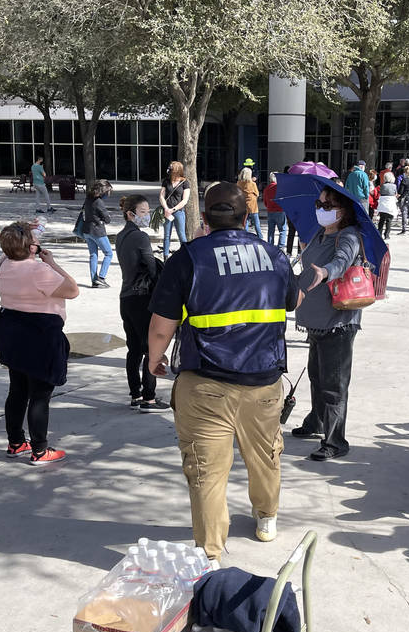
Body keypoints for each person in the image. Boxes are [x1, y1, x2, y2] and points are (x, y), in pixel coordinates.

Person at [147, 182, 298, 563]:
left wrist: (154, 359)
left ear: (205, 218)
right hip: (263, 382)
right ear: (248, 217)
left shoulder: (188, 258)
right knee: (265, 455)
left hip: (205, 385)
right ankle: (266, 517)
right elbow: (291, 301)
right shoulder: (275, 255)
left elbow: (162, 325)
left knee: (206, 471)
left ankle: (210, 555)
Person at [0, 221, 80, 463]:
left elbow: (11, 246)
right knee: (40, 395)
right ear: (31, 248)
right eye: (35, 240)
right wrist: (51, 263)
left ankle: (15, 442)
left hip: (11, 332)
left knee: (17, 390)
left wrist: (21, 229)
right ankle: (40, 449)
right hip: (40, 335)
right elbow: (73, 290)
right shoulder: (40, 271)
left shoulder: (4, 264)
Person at [290, 185, 364, 461]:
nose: (320, 210)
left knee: (334, 384)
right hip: (315, 320)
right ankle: (317, 421)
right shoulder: (319, 234)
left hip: (338, 321)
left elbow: (342, 262)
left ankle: (335, 441)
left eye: (327, 206)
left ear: (342, 211)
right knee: (316, 376)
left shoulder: (349, 236)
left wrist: (326, 272)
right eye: (319, 204)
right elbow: (305, 267)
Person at [116, 195, 168, 412]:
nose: (147, 216)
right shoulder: (140, 237)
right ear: (131, 214)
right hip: (141, 298)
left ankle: (135, 393)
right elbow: (151, 267)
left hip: (126, 298)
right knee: (150, 349)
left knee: (133, 350)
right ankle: (149, 397)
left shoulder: (120, 236)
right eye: (143, 212)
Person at [81, 179, 115, 288]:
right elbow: (107, 219)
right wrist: (106, 217)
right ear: (103, 191)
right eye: (108, 192)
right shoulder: (99, 202)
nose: (109, 194)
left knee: (93, 255)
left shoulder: (88, 198)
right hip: (97, 231)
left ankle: (94, 280)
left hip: (87, 230)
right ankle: (101, 277)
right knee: (109, 253)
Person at [160, 161, 191, 259]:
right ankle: (165, 257)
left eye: (171, 168)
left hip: (178, 212)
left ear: (177, 170)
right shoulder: (166, 181)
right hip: (167, 211)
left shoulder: (185, 182)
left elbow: (185, 200)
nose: (169, 170)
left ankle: (186, 256)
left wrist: (172, 209)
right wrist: (166, 208)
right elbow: (161, 196)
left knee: (181, 235)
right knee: (166, 235)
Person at [262, 172, 287, 248]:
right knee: (282, 230)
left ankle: (270, 246)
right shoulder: (280, 187)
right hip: (280, 210)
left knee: (271, 230)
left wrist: (268, 206)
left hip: (270, 211)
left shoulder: (266, 188)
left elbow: (265, 201)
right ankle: (281, 247)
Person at [238, 168, 262, 237]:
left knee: (245, 223)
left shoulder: (239, 183)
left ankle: (246, 236)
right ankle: (260, 237)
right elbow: (257, 194)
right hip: (252, 206)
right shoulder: (252, 184)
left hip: (243, 205)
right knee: (256, 224)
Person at [376, 171, 398, 239]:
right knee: (389, 220)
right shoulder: (394, 186)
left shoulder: (382, 185)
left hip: (383, 203)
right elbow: (395, 193)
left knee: (381, 220)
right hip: (390, 203)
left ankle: (379, 233)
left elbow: (381, 192)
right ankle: (387, 235)